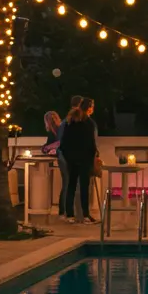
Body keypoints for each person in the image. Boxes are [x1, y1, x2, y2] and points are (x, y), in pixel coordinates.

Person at [60, 96, 98, 224]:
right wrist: (93, 156)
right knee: (84, 187)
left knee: (71, 185)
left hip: (71, 159)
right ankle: (86, 215)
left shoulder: (70, 121)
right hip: (84, 159)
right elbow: (90, 143)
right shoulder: (88, 123)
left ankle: (69, 214)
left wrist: (68, 156)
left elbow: (64, 143)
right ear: (88, 108)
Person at [42, 109, 67, 215]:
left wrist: (49, 148)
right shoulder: (58, 131)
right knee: (67, 183)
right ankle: (64, 210)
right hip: (65, 158)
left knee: (67, 182)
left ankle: (63, 210)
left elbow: (51, 145)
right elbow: (46, 147)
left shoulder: (58, 131)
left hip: (64, 158)